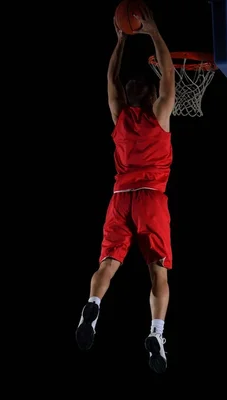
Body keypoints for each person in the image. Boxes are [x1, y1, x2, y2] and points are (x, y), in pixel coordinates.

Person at [75, 5, 175, 374]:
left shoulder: (119, 115)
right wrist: (153, 32)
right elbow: (168, 75)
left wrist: (120, 41)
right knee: (158, 273)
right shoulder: (160, 114)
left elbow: (110, 80)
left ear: (131, 96)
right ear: (151, 96)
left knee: (108, 262)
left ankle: (94, 305)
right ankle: (156, 333)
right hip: (151, 198)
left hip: (119, 199)